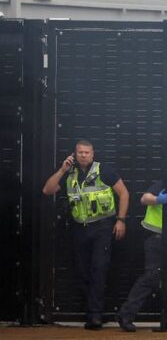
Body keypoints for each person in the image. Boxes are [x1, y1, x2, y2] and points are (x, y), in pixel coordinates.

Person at [42, 140, 129, 329]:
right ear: (74, 154)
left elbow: (123, 193)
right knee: (82, 271)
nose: (83, 155)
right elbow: (47, 190)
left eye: (86, 152)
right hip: (79, 228)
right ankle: (91, 311)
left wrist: (121, 220)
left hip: (102, 227)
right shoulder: (69, 173)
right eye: (80, 152)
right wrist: (62, 170)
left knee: (99, 268)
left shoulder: (104, 170)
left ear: (92, 154)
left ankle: (95, 316)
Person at [116, 181, 167, 332]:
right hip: (155, 237)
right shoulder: (164, 183)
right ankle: (125, 315)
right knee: (152, 276)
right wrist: (158, 199)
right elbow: (144, 198)